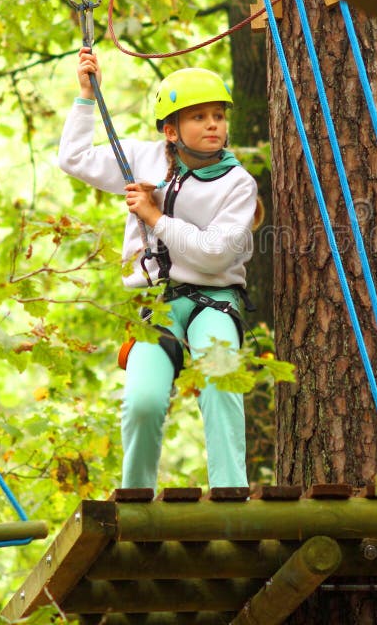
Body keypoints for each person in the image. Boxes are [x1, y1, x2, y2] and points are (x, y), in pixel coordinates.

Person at [58, 47, 257, 491]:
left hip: (215, 302)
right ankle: (135, 499)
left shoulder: (237, 183)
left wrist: (154, 217)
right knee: (144, 403)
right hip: (156, 306)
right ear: (171, 131)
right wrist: (87, 97)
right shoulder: (141, 159)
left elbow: (214, 254)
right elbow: (74, 160)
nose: (213, 125)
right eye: (199, 117)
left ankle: (231, 493)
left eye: (218, 117)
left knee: (221, 380)